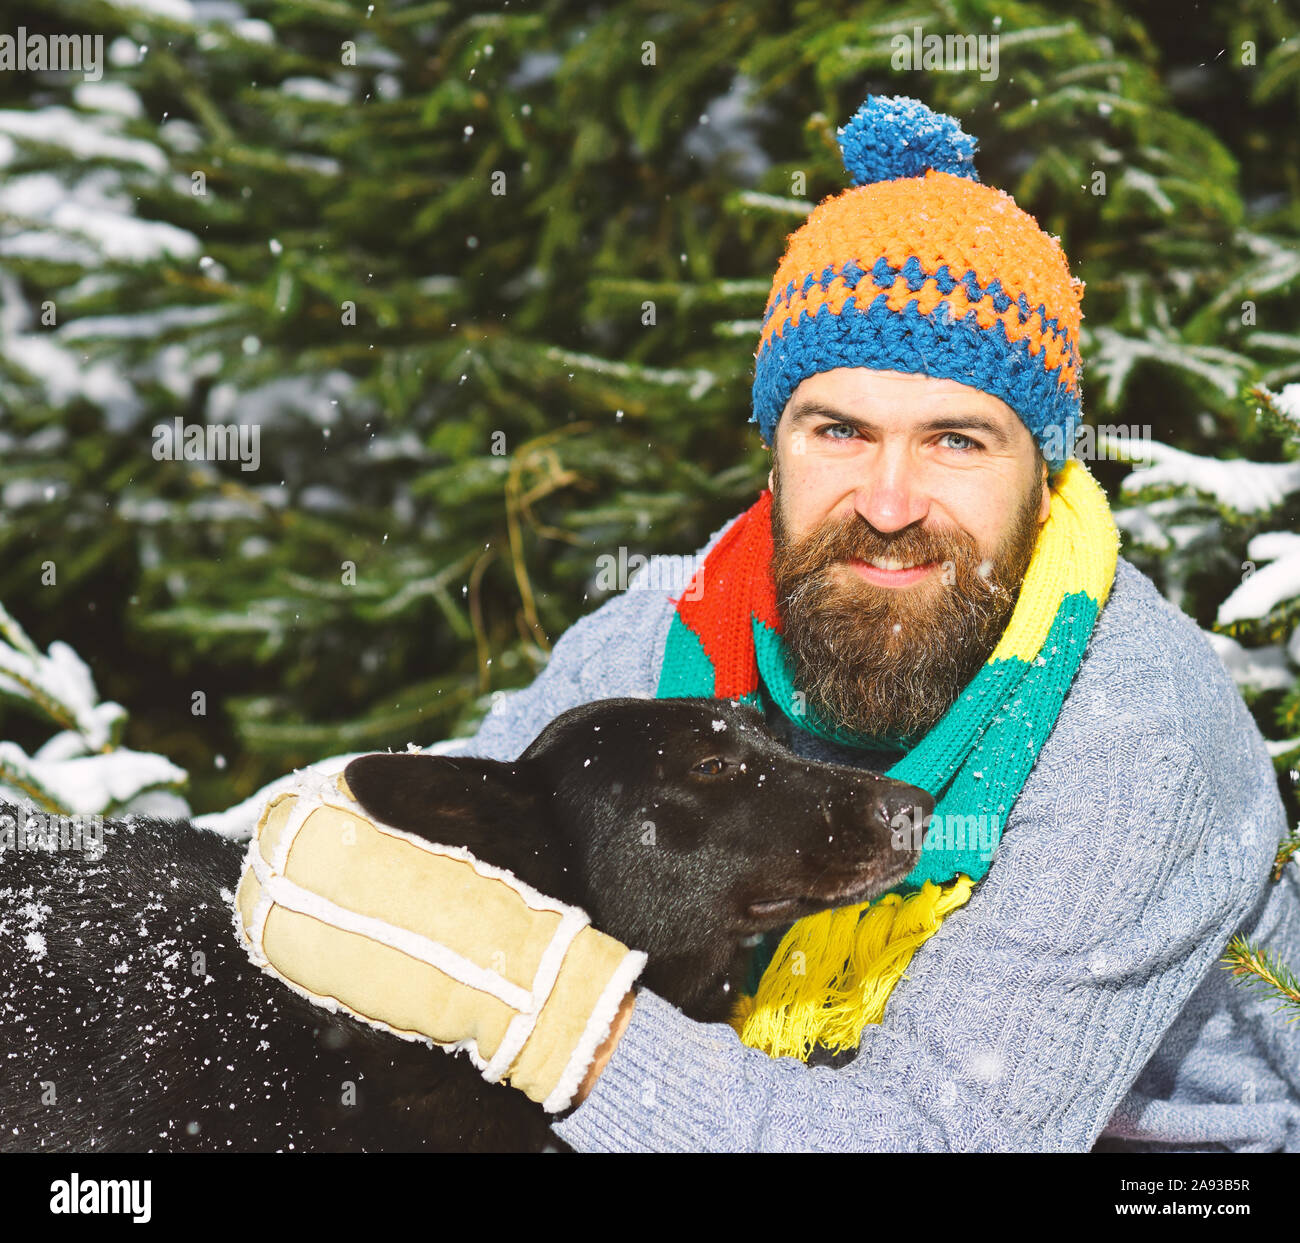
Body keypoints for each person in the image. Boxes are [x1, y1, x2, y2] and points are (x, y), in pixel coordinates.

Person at [221, 95, 1300, 1151]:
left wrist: (553, 1016)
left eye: (957, 442)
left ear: (1044, 469)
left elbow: (928, 1139)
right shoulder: (681, 629)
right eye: (838, 429)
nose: (887, 503)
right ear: (772, 446)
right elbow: (464, 815)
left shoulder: (1124, 731)